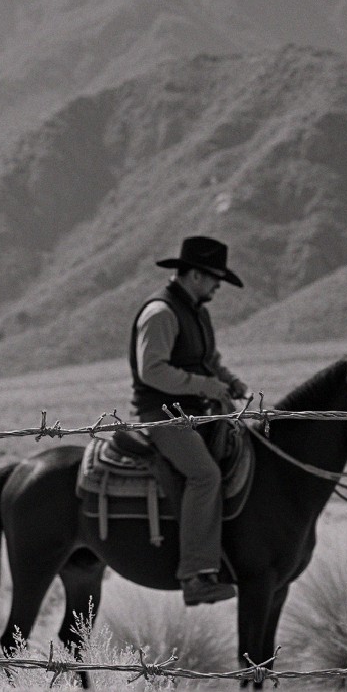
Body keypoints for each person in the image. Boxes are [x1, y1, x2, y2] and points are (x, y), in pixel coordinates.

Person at [130, 235, 250, 606]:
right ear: (196, 276)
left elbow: (207, 358)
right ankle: (195, 576)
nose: (218, 286)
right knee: (205, 475)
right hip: (163, 416)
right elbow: (153, 371)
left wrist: (228, 381)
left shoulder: (196, 310)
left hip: (193, 411)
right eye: (216, 279)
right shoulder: (161, 313)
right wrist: (205, 386)